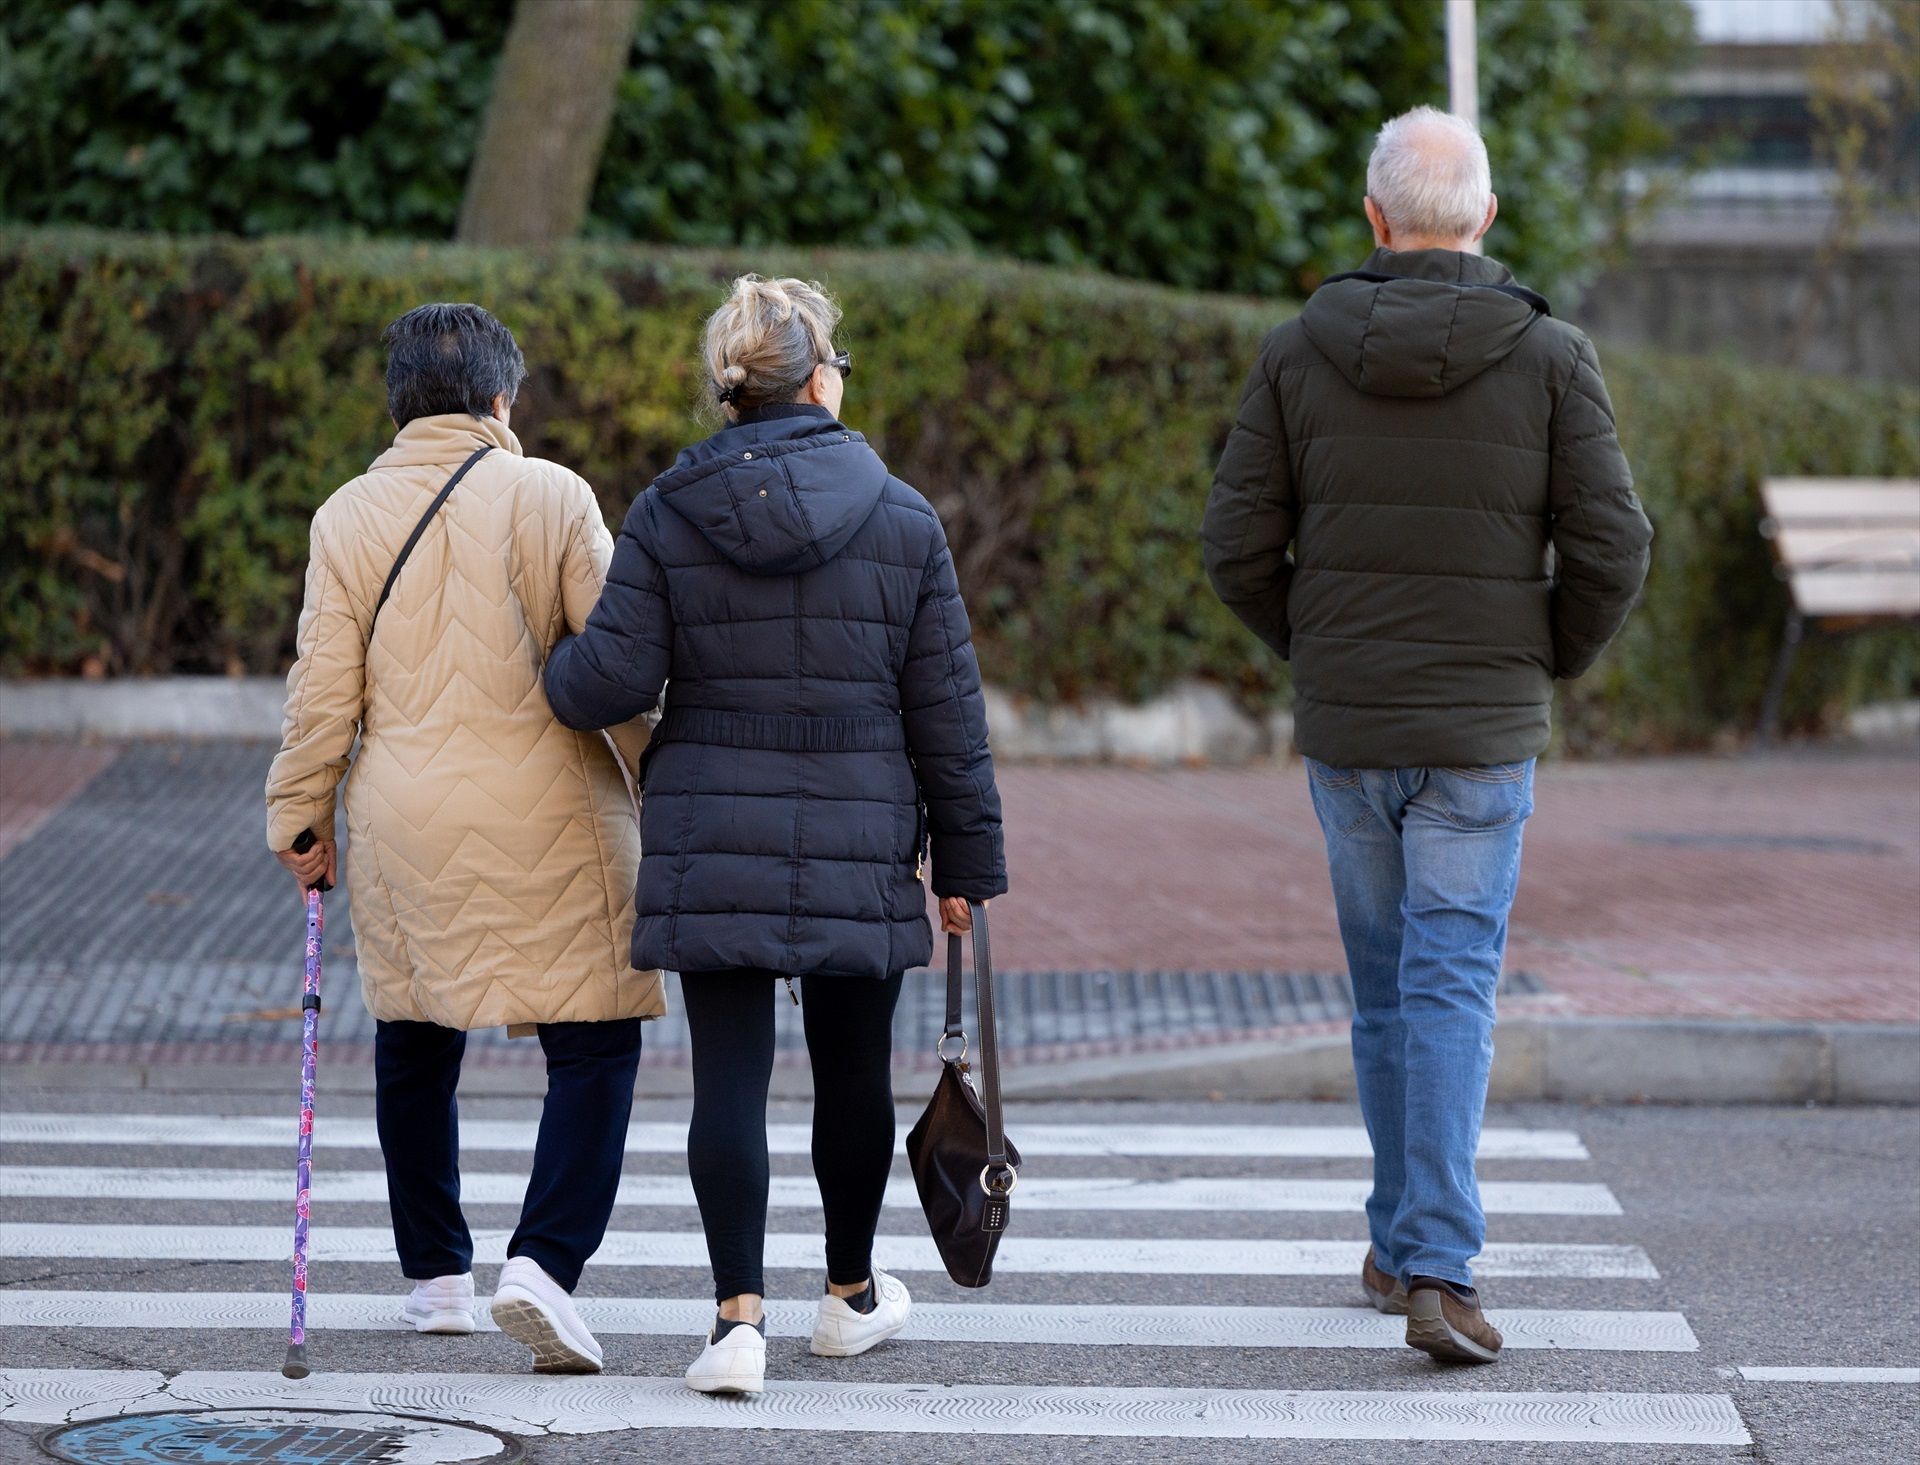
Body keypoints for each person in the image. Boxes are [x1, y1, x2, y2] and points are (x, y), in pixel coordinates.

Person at [1202, 107, 1652, 1364]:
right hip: (1481, 730)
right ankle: (1436, 1264)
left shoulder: (1298, 352)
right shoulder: (1553, 355)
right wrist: (1540, 655)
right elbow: (1616, 545)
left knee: (1384, 987)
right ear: (1488, 221)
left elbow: (1235, 548)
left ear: (1374, 217)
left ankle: (1405, 1242)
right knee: (1450, 980)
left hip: (1353, 727)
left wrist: (1324, 646)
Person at [544, 274, 1007, 1396]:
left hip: (713, 822)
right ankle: (849, 1295)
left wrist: (548, 665)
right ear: (815, 377)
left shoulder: (665, 510)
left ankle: (735, 1322)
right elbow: (947, 708)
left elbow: (606, 677)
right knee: (854, 1071)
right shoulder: (900, 514)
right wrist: (966, 865)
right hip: (863, 826)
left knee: (730, 1077)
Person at [265, 302, 663, 1375]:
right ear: (502, 398)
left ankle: (436, 1274)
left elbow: (322, 694)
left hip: (403, 812)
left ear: (397, 402)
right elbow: (621, 666)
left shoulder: (344, 516)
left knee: (415, 1030)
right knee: (593, 1039)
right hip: (553, 806)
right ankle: (542, 1262)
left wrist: (299, 813)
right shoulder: (552, 496)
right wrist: (666, 770)